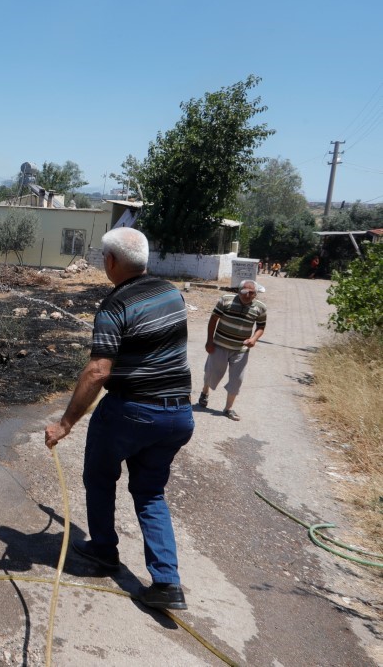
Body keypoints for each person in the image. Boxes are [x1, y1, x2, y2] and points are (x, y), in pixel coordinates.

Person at [45, 227, 194, 611]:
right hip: (178, 414)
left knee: (98, 476)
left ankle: (104, 550)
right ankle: (166, 582)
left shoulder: (115, 305)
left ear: (110, 262)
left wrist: (64, 424)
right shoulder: (171, 292)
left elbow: (97, 371)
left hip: (132, 411)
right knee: (149, 492)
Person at [197, 279, 266, 421]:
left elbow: (261, 326)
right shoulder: (225, 300)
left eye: (251, 293)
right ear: (238, 291)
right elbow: (213, 320)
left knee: (237, 380)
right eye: (244, 292)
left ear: (256, 294)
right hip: (219, 346)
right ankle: (205, 392)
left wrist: (253, 339)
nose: (247, 295)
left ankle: (228, 408)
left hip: (240, 350)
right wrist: (210, 341)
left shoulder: (260, 308)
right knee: (212, 373)